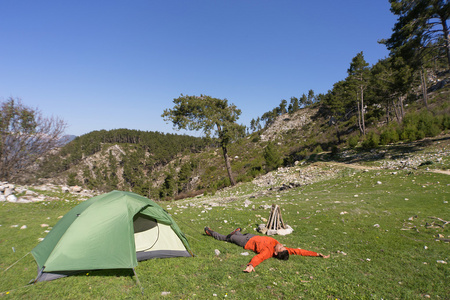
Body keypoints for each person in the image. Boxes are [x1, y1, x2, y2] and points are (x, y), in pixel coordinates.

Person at [204, 227, 330, 272]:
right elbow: (299, 251)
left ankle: (211, 232)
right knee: (237, 234)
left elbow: (259, 258)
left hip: (246, 242)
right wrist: (317, 254)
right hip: (253, 236)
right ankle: (237, 232)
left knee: (228, 237)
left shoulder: (268, 252)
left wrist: (251, 265)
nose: (281, 245)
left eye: (280, 247)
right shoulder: (283, 248)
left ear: (276, 252)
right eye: (282, 246)